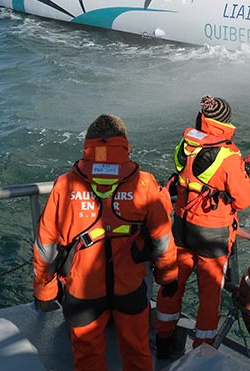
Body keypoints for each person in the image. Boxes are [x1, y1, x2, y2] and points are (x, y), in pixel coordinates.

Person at [33, 114, 178, 371]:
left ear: (87, 146)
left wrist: (45, 289)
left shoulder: (64, 185)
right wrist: (167, 278)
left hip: (82, 294)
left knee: (87, 360)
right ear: (125, 145)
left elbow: (46, 245)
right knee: (137, 352)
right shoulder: (145, 183)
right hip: (130, 289)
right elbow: (162, 239)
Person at [154, 96, 250, 357]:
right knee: (210, 295)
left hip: (182, 228)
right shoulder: (228, 156)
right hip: (211, 233)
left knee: (174, 283)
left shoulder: (185, 145)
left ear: (202, 118)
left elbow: (189, 175)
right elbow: (243, 199)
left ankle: (164, 338)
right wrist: (243, 171)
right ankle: (202, 351)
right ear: (225, 122)